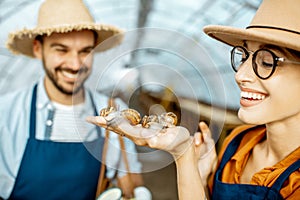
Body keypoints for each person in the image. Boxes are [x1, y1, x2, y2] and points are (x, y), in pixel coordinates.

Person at [87, 0, 300, 199]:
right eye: (244, 56)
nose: (240, 75)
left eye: (267, 62)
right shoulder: (238, 143)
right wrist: (191, 165)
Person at [0, 0, 151, 199]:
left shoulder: (112, 112)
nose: (75, 64)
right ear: (38, 49)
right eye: (61, 50)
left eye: (85, 51)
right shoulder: (6, 113)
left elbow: (130, 183)